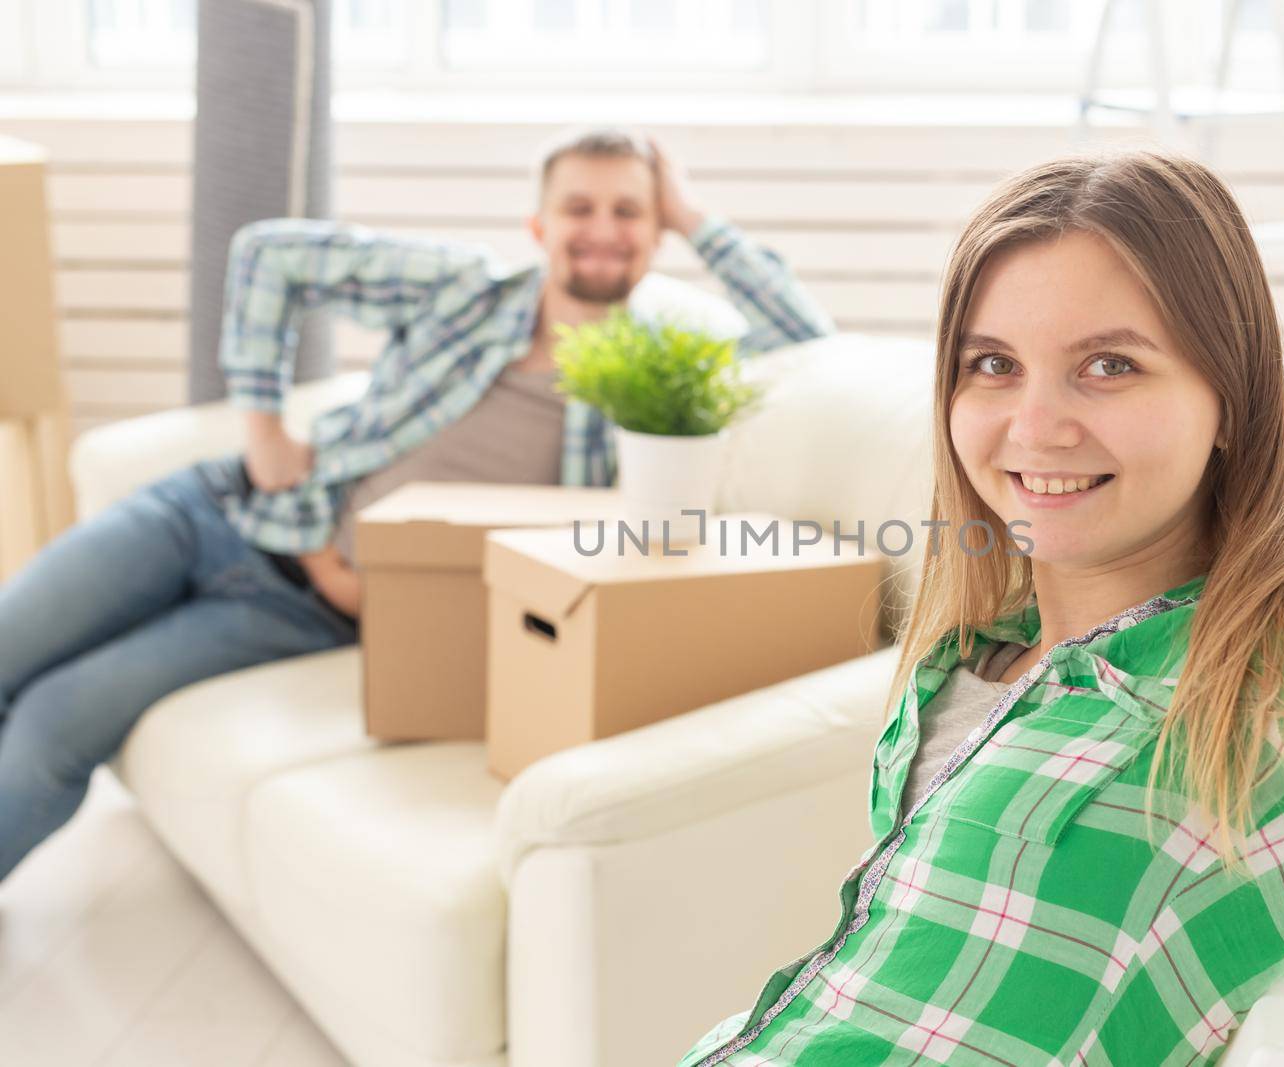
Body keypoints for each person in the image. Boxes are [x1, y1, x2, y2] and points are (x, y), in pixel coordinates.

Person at [676, 147, 1284, 1066]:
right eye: (993, 363)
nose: (1036, 426)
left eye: (1110, 365)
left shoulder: (1280, 668)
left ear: (1229, 399)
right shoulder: (975, 650)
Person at [0, 126, 834, 885]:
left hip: (302, 609)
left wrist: (697, 216)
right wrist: (264, 425)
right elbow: (270, 252)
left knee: (49, 729)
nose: (604, 228)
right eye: (578, 206)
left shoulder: (654, 374)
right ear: (539, 226)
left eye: (631, 210)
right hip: (210, 510)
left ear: (658, 234)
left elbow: (811, 343)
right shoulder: (465, 290)